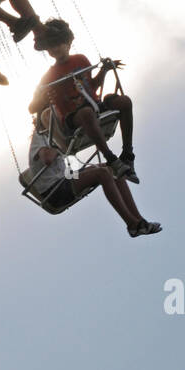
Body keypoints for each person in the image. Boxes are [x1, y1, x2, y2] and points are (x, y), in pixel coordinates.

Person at [28, 19, 139, 182]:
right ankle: (111, 158)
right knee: (86, 113)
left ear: (68, 42)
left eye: (58, 44)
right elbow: (32, 108)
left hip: (94, 106)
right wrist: (43, 98)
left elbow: (92, 86)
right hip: (73, 119)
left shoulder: (81, 60)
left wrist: (104, 71)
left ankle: (128, 154)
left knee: (124, 101)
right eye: (51, 47)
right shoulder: (49, 76)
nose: (55, 49)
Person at [23, 123, 160, 238]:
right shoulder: (40, 134)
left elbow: (66, 169)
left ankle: (139, 220)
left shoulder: (55, 135)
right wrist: (61, 146)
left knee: (111, 168)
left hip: (64, 180)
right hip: (54, 191)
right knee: (102, 174)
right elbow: (47, 158)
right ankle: (132, 224)